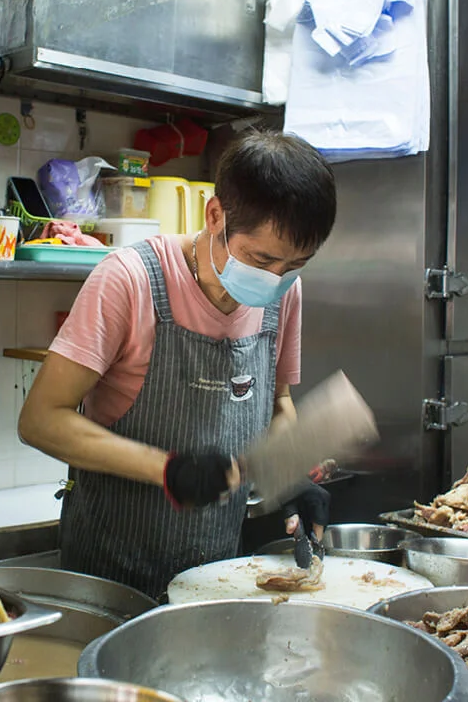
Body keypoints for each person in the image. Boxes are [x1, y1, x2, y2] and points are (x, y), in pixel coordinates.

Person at [18, 130, 338, 599]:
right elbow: (40, 420)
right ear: (215, 215)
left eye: (294, 265)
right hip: (113, 581)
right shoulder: (130, 280)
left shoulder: (283, 294)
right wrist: (166, 470)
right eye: (261, 259)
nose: (276, 279)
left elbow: (279, 405)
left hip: (217, 582)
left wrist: (286, 474)